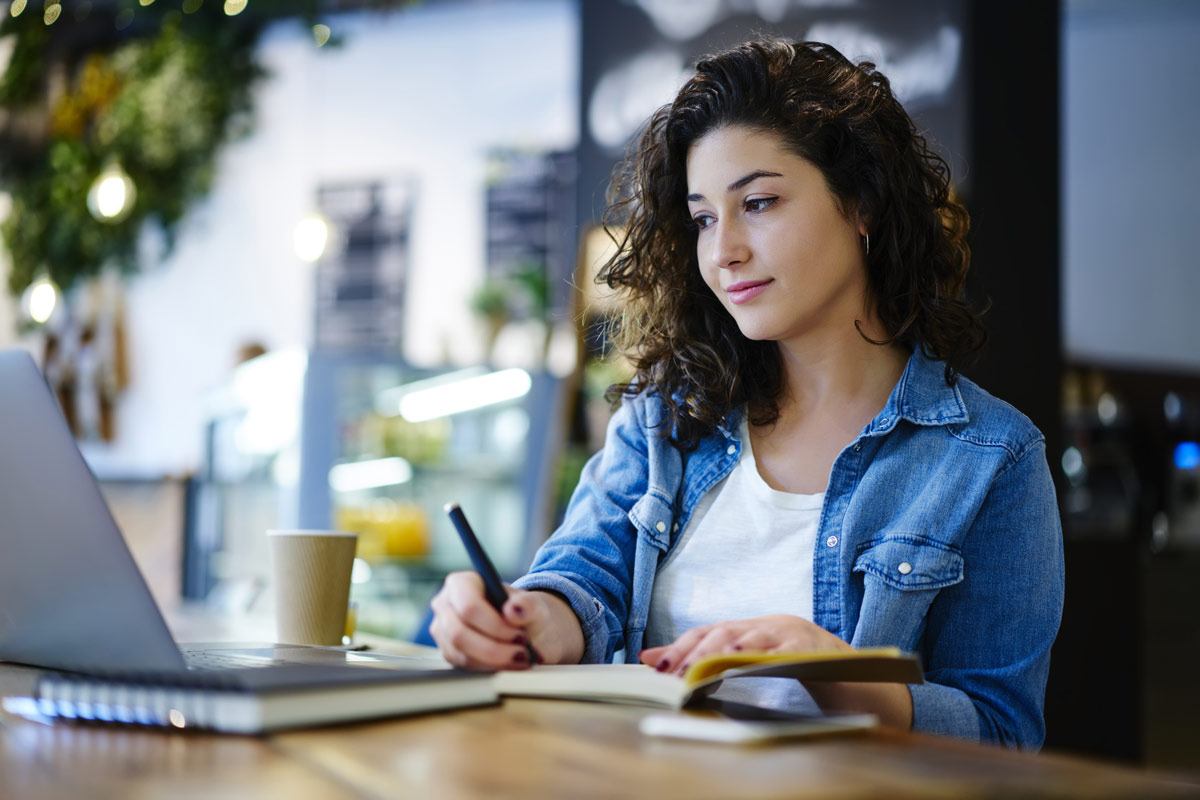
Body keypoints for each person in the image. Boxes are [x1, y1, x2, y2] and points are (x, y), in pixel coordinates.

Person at [430, 38, 1063, 750]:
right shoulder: (665, 419)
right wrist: (526, 618)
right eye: (703, 218)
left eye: (757, 202)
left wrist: (848, 682)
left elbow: (1005, 736)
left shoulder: (990, 458)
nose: (723, 249)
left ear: (861, 203)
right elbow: (585, 579)